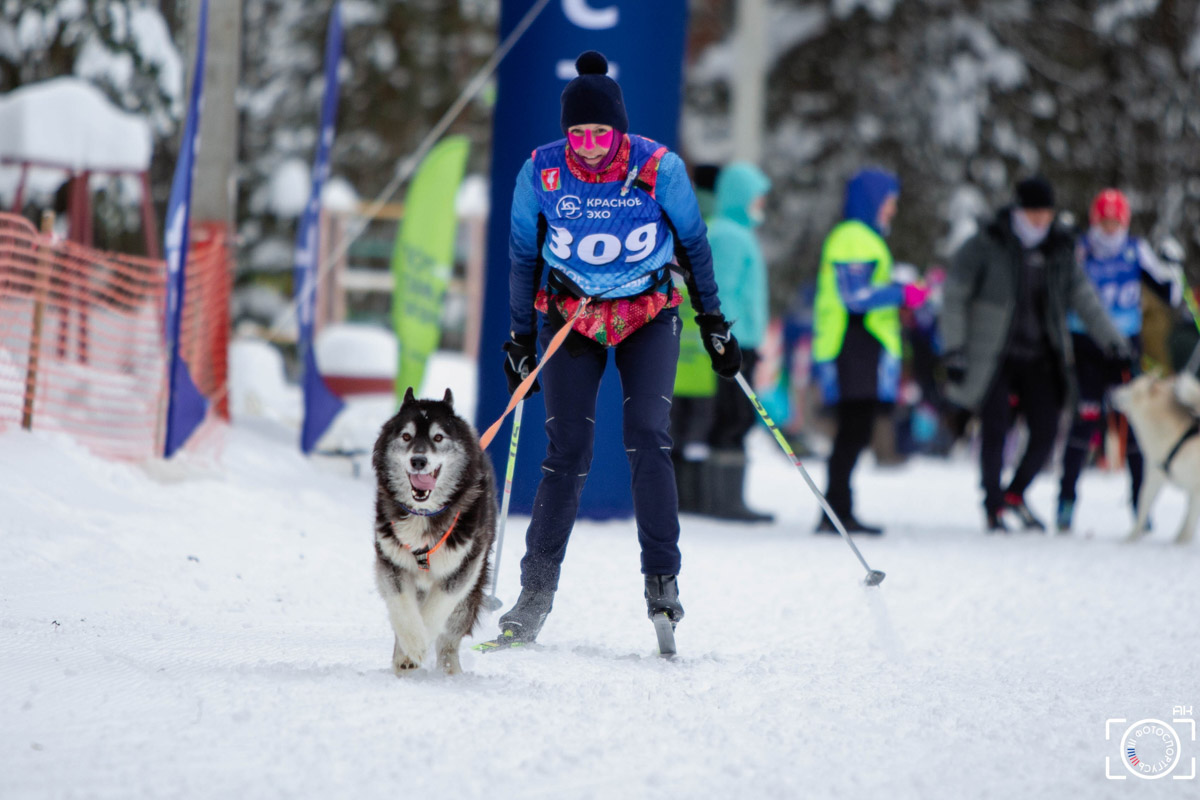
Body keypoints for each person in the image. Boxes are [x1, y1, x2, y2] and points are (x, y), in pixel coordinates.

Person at [497, 51, 741, 643]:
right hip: (573, 316)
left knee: (648, 435)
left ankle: (662, 580)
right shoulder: (542, 172)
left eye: (599, 131)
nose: (587, 144)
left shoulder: (660, 167)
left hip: (646, 313)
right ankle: (535, 591)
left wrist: (713, 319)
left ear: (619, 127)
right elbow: (524, 256)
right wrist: (519, 340)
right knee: (568, 449)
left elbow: (694, 241)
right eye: (577, 132)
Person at [941, 176, 1130, 532]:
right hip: (992, 353)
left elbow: (1086, 301)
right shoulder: (988, 241)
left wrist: (1115, 343)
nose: (1040, 221)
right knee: (995, 428)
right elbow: (954, 296)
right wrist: (954, 350)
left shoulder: (1059, 248)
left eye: (1045, 213)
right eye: (1032, 213)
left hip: (1041, 354)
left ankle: (1015, 493)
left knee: (1046, 429)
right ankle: (993, 503)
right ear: (1018, 211)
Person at [1056, 189, 1184, 532]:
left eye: (1117, 222)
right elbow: (1055, 285)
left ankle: (1140, 505)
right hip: (1086, 346)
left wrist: (1174, 265)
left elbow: (1170, 292)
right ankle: (1066, 501)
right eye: (1105, 222)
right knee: (1085, 419)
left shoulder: (1135, 250)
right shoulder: (1081, 248)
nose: (1110, 230)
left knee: (1134, 426)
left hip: (1126, 348)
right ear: (1095, 221)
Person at [812, 168, 927, 535]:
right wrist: (902, 293)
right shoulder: (854, 237)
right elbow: (856, 296)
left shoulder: (862, 237)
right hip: (853, 344)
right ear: (873, 200)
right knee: (854, 430)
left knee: (856, 431)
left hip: (858, 344)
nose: (892, 210)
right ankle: (836, 513)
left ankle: (838, 510)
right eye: (889, 202)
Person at [704, 162, 774, 522]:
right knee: (734, 416)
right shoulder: (729, 234)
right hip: (733, 341)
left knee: (737, 416)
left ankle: (725, 497)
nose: (761, 202)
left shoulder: (734, 232)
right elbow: (723, 290)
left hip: (742, 339)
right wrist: (726, 337)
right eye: (756, 196)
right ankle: (725, 499)